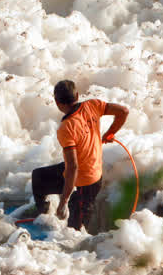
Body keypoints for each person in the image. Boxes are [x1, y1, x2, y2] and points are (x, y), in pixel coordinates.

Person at [31, 80, 129, 231]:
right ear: (77, 95)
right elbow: (123, 111)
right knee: (38, 177)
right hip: (85, 172)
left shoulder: (66, 127)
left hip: (87, 183)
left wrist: (64, 200)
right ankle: (45, 218)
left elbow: (73, 167)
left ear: (57, 102)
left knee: (75, 232)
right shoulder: (93, 105)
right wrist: (110, 133)